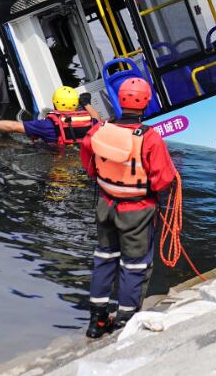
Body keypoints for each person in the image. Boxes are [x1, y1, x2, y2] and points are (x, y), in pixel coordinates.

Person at [79, 77, 175, 338]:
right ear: (146, 102)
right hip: (137, 211)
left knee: (104, 259)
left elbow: (87, 158)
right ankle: (125, 321)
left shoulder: (100, 130)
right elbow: (163, 179)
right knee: (134, 265)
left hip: (105, 205)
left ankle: (97, 321)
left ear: (119, 100)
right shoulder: (150, 139)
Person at [0, 86, 100, 147]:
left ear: (55, 103)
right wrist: (86, 104)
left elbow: (13, 127)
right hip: (79, 151)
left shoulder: (47, 125)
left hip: (55, 153)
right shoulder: (88, 121)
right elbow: (99, 121)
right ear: (76, 104)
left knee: (9, 142)